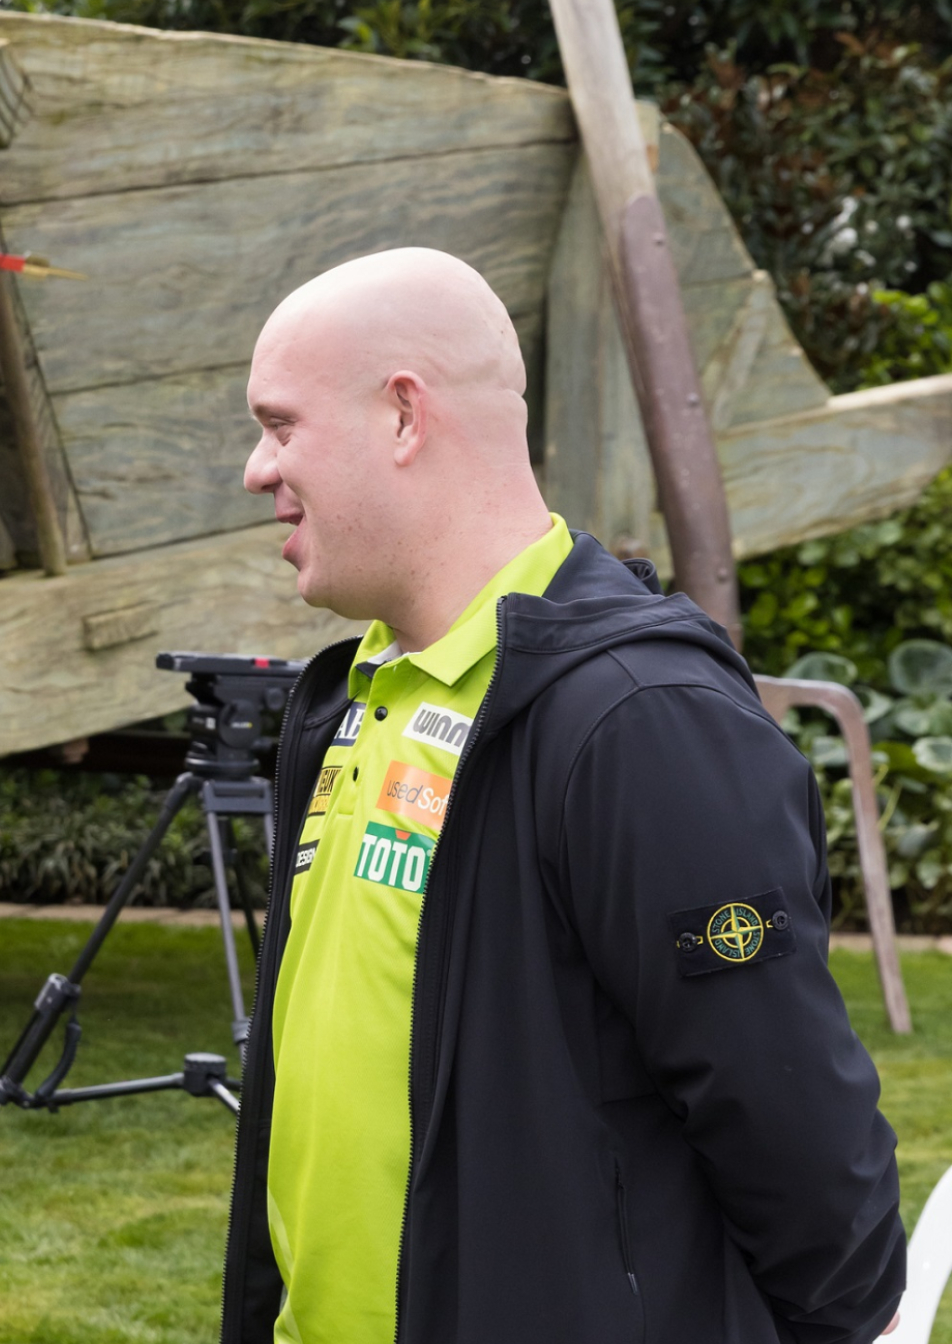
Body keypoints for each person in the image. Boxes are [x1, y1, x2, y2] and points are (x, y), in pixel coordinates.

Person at [222, 247, 906, 1343]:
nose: (257, 468)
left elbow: (795, 1130)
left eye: (280, 424)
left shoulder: (640, 719)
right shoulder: (348, 700)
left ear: (404, 416)